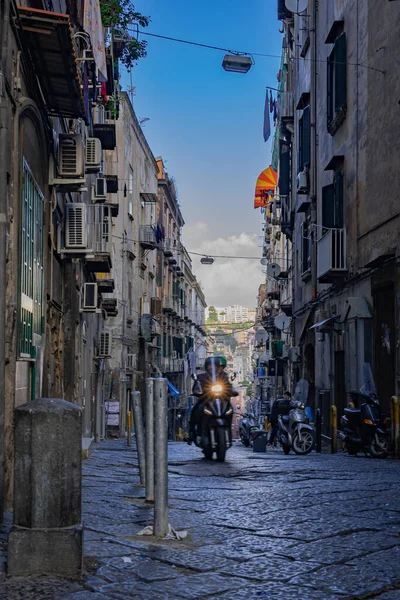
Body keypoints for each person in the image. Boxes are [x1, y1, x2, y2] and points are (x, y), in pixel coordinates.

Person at [188, 356, 237, 445]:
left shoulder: (224, 377)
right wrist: (197, 390)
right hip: (206, 400)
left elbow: (230, 386)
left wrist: (233, 391)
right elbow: (196, 387)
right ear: (206, 367)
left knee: (230, 409)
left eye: (214, 366)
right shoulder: (201, 377)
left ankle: (228, 431)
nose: (211, 367)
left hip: (222, 401)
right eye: (209, 366)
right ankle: (191, 432)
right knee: (197, 409)